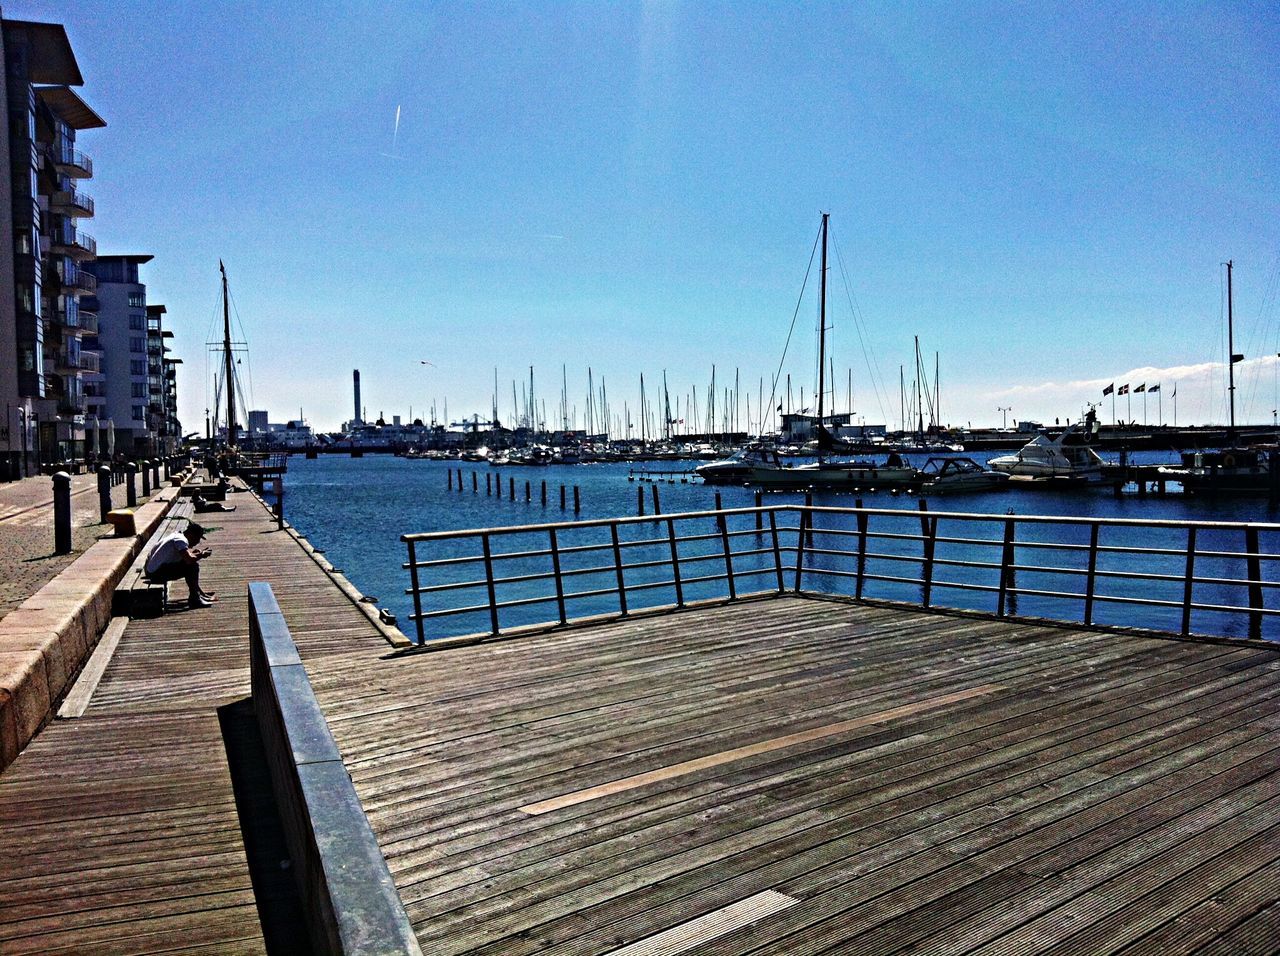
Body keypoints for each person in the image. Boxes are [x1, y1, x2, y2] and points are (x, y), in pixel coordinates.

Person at [144, 520, 217, 608]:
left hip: (152, 569)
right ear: (191, 535)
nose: (197, 542)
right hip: (155, 573)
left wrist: (195, 553)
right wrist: (201, 555)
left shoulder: (177, 535)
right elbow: (189, 560)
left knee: (189, 564)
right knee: (192, 567)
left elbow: (184, 556)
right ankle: (195, 599)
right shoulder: (181, 540)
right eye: (197, 539)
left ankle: (199, 593)